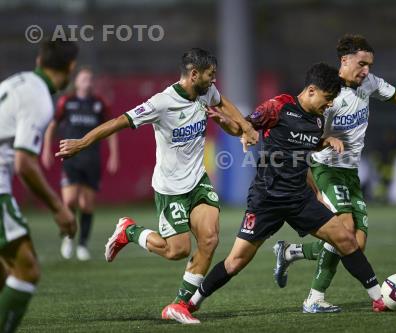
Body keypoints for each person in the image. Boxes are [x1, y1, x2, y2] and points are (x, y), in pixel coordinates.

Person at [164, 62, 391, 325]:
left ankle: (378, 298)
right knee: (236, 261)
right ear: (311, 90)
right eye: (328, 99)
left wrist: (325, 142)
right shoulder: (279, 106)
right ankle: (188, 304)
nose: (329, 106)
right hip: (266, 200)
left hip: (299, 199)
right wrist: (229, 123)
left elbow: (303, 146)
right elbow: (246, 127)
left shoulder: (318, 119)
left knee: (347, 239)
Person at [54, 48, 259, 322]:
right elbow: (118, 122)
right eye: (210, 76)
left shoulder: (205, 92)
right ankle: (130, 231)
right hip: (170, 189)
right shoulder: (161, 103)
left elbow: (223, 103)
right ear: (193, 74)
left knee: (209, 239)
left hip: (197, 181)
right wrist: (81, 143)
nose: (214, 81)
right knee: (178, 250)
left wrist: (245, 126)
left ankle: (179, 305)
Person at [273, 34, 396, 313]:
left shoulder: (369, 83)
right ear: (344, 61)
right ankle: (314, 300)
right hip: (326, 169)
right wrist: (309, 178)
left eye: (370, 65)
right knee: (345, 230)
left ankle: (291, 252)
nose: (366, 70)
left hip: (349, 173)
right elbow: (304, 138)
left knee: (355, 245)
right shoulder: (329, 94)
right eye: (362, 63)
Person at [0, 39, 77, 332]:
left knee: (5, 277)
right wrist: (59, 209)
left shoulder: (17, 82)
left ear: (39, 59)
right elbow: (25, 163)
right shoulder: (40, 98)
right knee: (27, 271)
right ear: (70, 67)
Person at [42, 67, 119, 261]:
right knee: (70, 201)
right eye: (84, 79)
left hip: (92, 160)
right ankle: (69, 238)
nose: (88, 82)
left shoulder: (99, 104)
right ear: (77, 82)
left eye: (90, 79)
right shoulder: (67, 102)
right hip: (71, 159)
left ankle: (83, 244)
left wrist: (114, 155)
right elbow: (52, 125)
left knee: (86, 204)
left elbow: (111, 128)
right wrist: (45, 150)